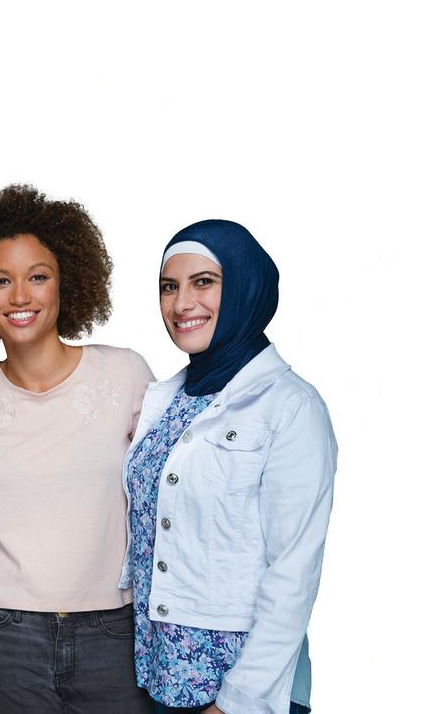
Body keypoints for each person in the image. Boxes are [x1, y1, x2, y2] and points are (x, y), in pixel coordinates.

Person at [0, 185, 156, 713]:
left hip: (114, 629)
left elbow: (168, 503)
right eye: (0, 280)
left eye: (38, 276)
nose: (20, 296)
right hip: (6, 637)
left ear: (66, 283)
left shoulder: (126, 374)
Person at [124, 220, 336, 714]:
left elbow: (294, 571)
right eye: (169, 287)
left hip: (237, 686)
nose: (181, 304)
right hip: (158, 673)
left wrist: (239, 701)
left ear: (245, 288)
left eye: (204, 282)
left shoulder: (290, 406)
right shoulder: (167, 400)